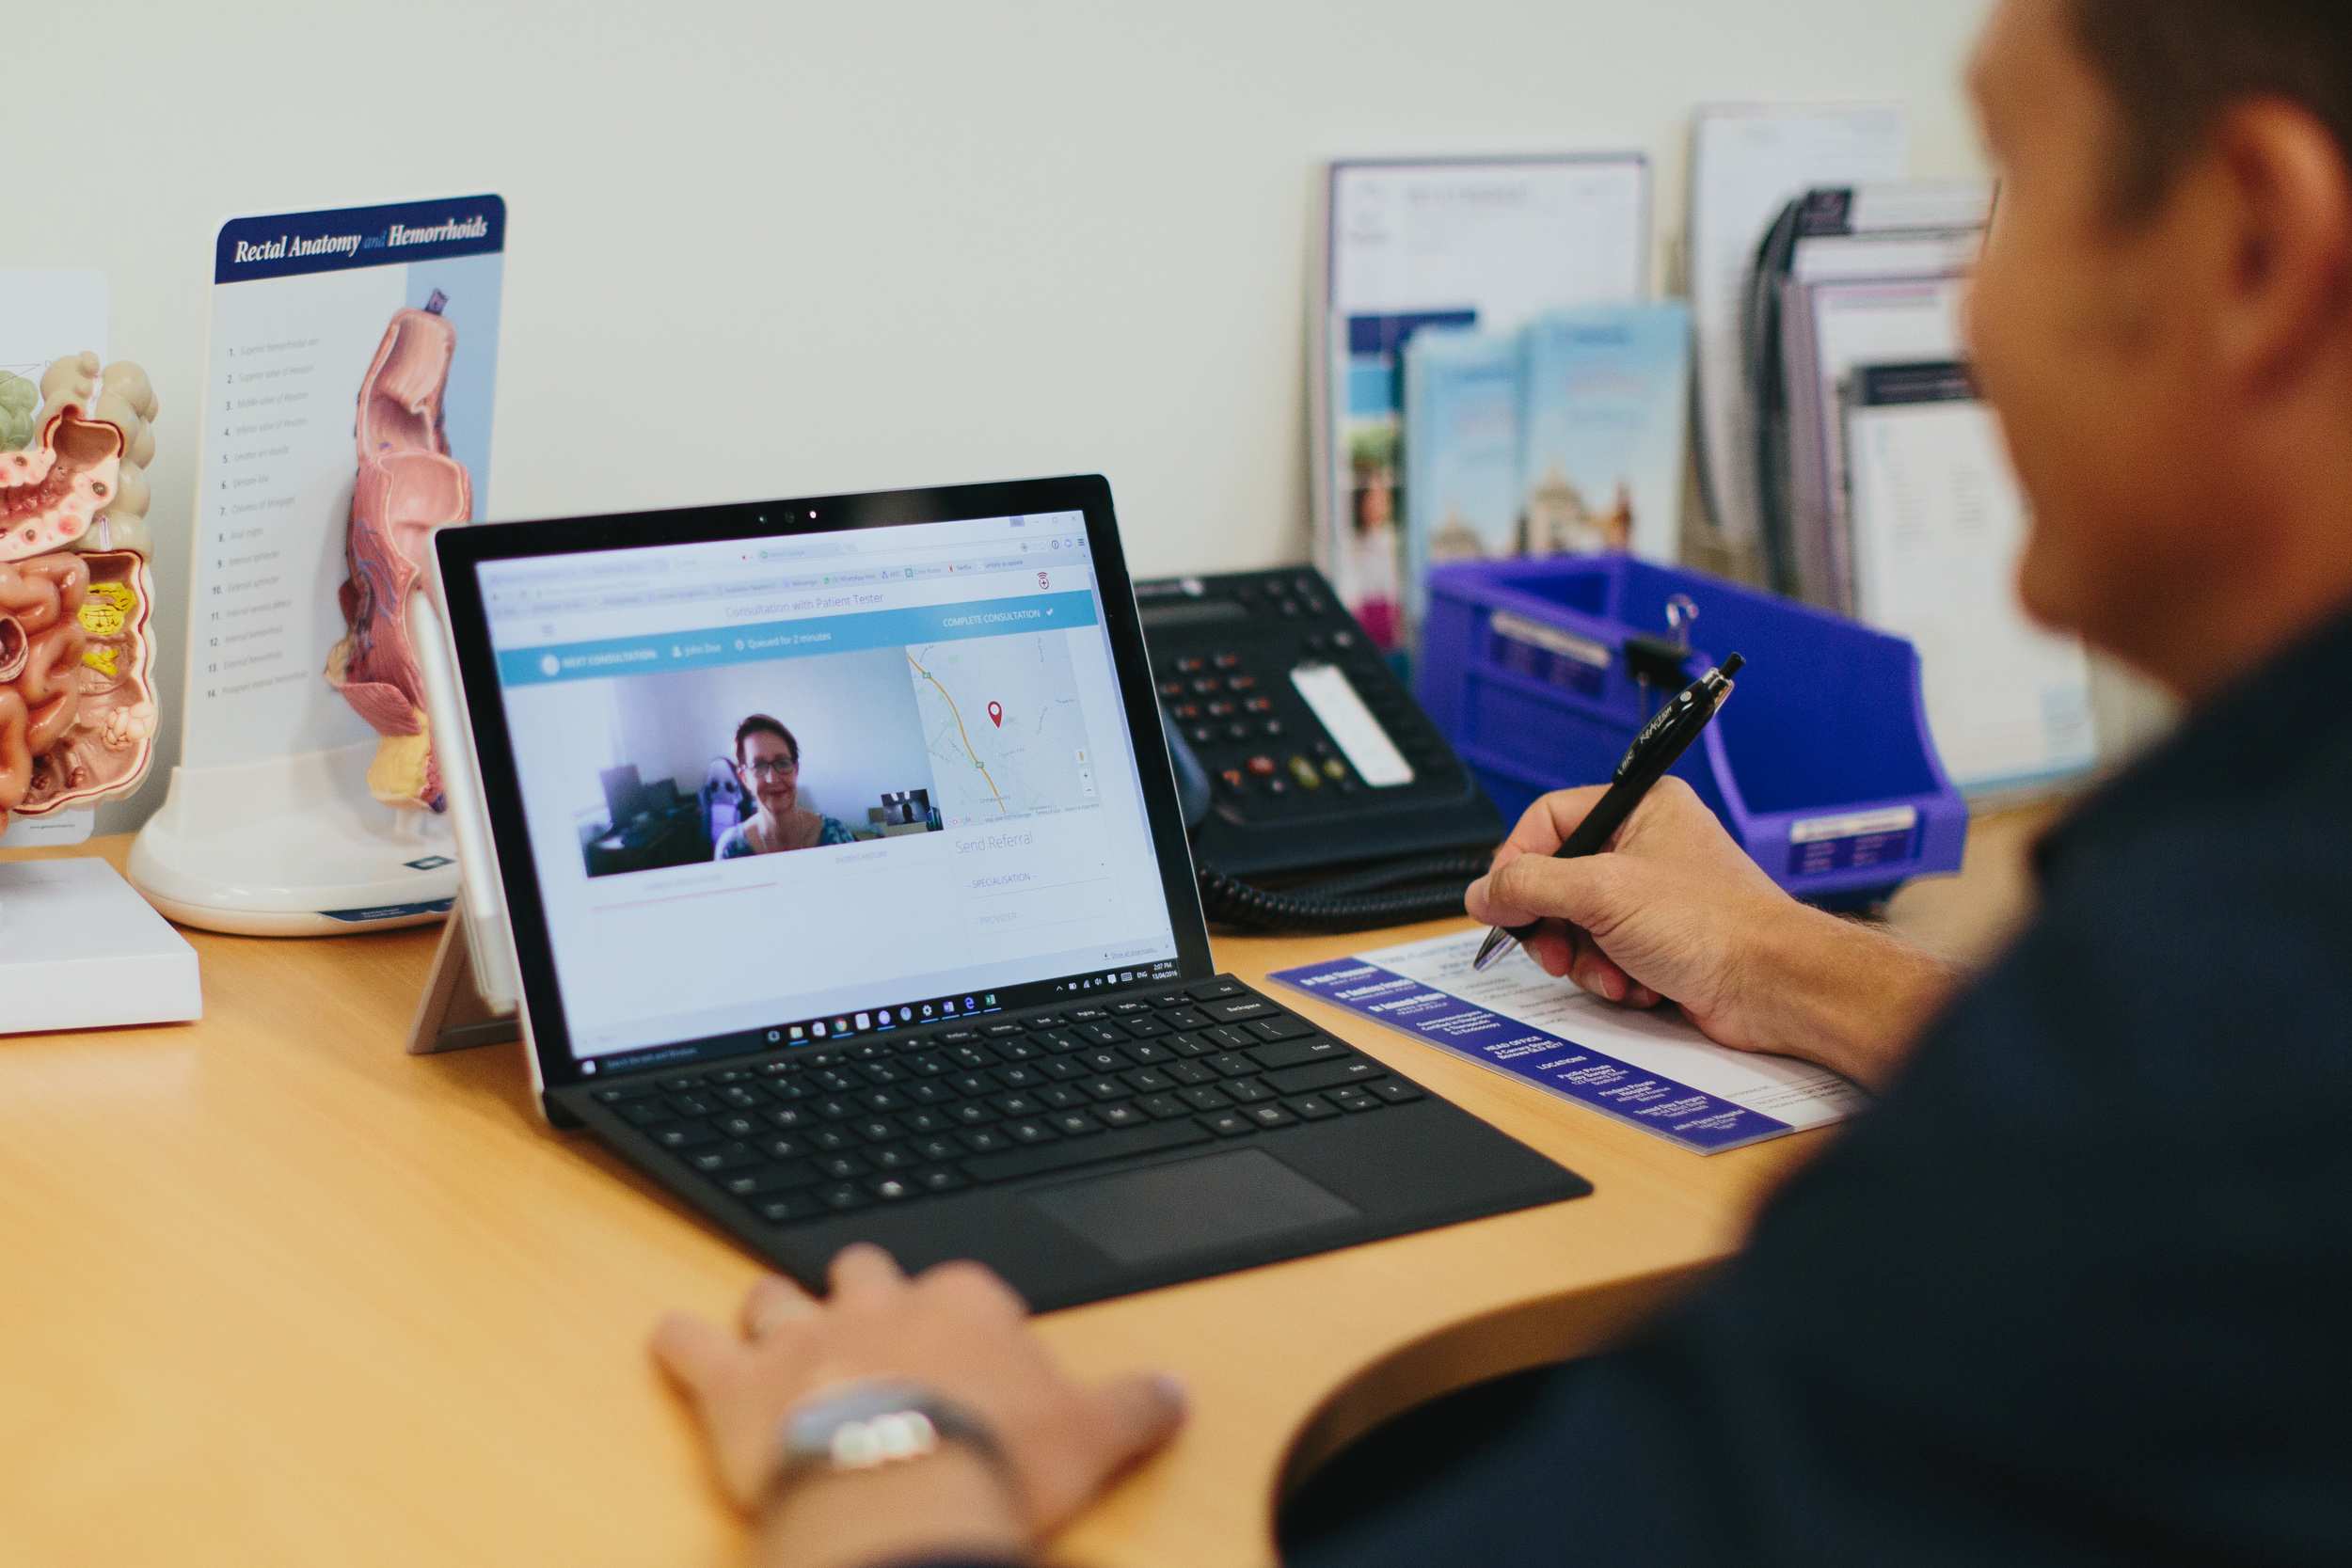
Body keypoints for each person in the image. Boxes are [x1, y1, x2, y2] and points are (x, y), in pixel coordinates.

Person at [649, 3, 2352, 1564]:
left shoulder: (2204, 1056)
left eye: (2011, 183)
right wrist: (1786, 960)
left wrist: (887, 1448)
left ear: (2258, 250)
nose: (1963, 314)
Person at [714, 714, 858, 859]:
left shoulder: (836, 835)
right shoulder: (731, 849)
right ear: (744, 778)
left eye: (782, 763)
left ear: (796, 770)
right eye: (759, 766)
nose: (772, 778)